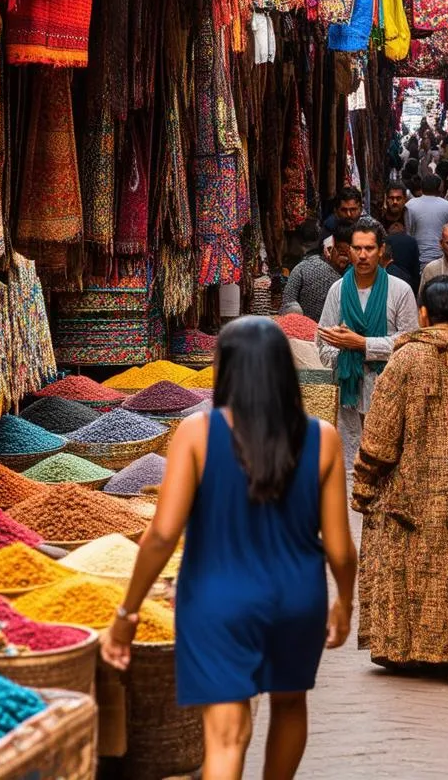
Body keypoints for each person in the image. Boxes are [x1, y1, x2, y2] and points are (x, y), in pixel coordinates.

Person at [100, 317, 357, 780]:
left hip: (218, 599)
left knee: (226, 735)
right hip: (298, 598)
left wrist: (127, 614)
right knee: (289, 702)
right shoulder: (323, 439)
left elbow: (161, 535)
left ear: (226, 369)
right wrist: (344, 602)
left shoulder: (197, 435)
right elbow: (340, 547)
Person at [352, 277, 448, 679]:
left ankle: (407, 650)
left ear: (423, 314)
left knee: (408, 575)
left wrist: (365, 485)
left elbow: (381, 433)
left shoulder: (406, 360)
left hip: (408, 494)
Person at [317, 218, 417, 457]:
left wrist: (362, 344)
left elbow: (411, 343)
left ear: (381, 250)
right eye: (357, 248)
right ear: (349, 251)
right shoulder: (338, 290)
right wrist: (344, 357)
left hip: (389, 390)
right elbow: (322, 342)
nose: (362, 255)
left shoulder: (400, 290)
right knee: (350, 458)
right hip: (348, 391)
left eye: (369, 248)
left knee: (386, 459)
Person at [282, 222, 352, 321]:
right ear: (329, 249)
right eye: (340, 252)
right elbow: (289, 301)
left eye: (347, 253)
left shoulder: (355, 276)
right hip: (304, 328)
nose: (344, 259)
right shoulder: (305, 268)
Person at [404, 174, 448, 271]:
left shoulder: (410, 205)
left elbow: (408, 231)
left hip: (416, 257)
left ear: (422, 188)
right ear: (439, 189)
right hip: (439, 258)